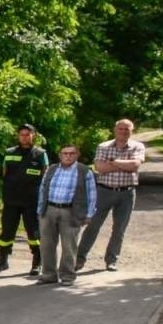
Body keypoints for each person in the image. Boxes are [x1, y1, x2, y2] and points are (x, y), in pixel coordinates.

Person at [76, 118, 147, 272]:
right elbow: (100, 167)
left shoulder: (138, 146)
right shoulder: (104, 146)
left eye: (127, 129)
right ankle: (79, 258)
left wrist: (113, 161)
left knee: (119, 229)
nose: (123, 131)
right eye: (120, 128)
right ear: (115, 130)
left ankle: (111, 260)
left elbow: (135, 165)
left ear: (131, 131)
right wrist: (124, 164)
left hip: (126, 193)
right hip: (103, 191)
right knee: (93, 225)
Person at [0, 123, 49, 275]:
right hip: (11, 200)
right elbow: (4, 172)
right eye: (22, 134)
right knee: (7, 232)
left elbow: (46, 176)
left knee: (34, 233)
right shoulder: (9, 152)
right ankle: (2, 260)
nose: (24, 137)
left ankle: (37, 262)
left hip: (32, 200)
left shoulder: (40, 153)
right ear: (18, 136)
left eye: (28, 134)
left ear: (33, 135)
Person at [37, 145, 98, 285]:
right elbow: (42, 189)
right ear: (60, 155)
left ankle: (67, 276)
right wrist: (40, 210)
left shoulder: (84, 171)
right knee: (46, 244)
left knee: (69, 245)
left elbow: (92, 194)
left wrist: (89, 215)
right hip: (49, 210)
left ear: (77, 155)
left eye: (72, 153)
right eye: (65, 153)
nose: (68, 156)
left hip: (72, 212)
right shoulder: (52, 169)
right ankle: (48, 275)